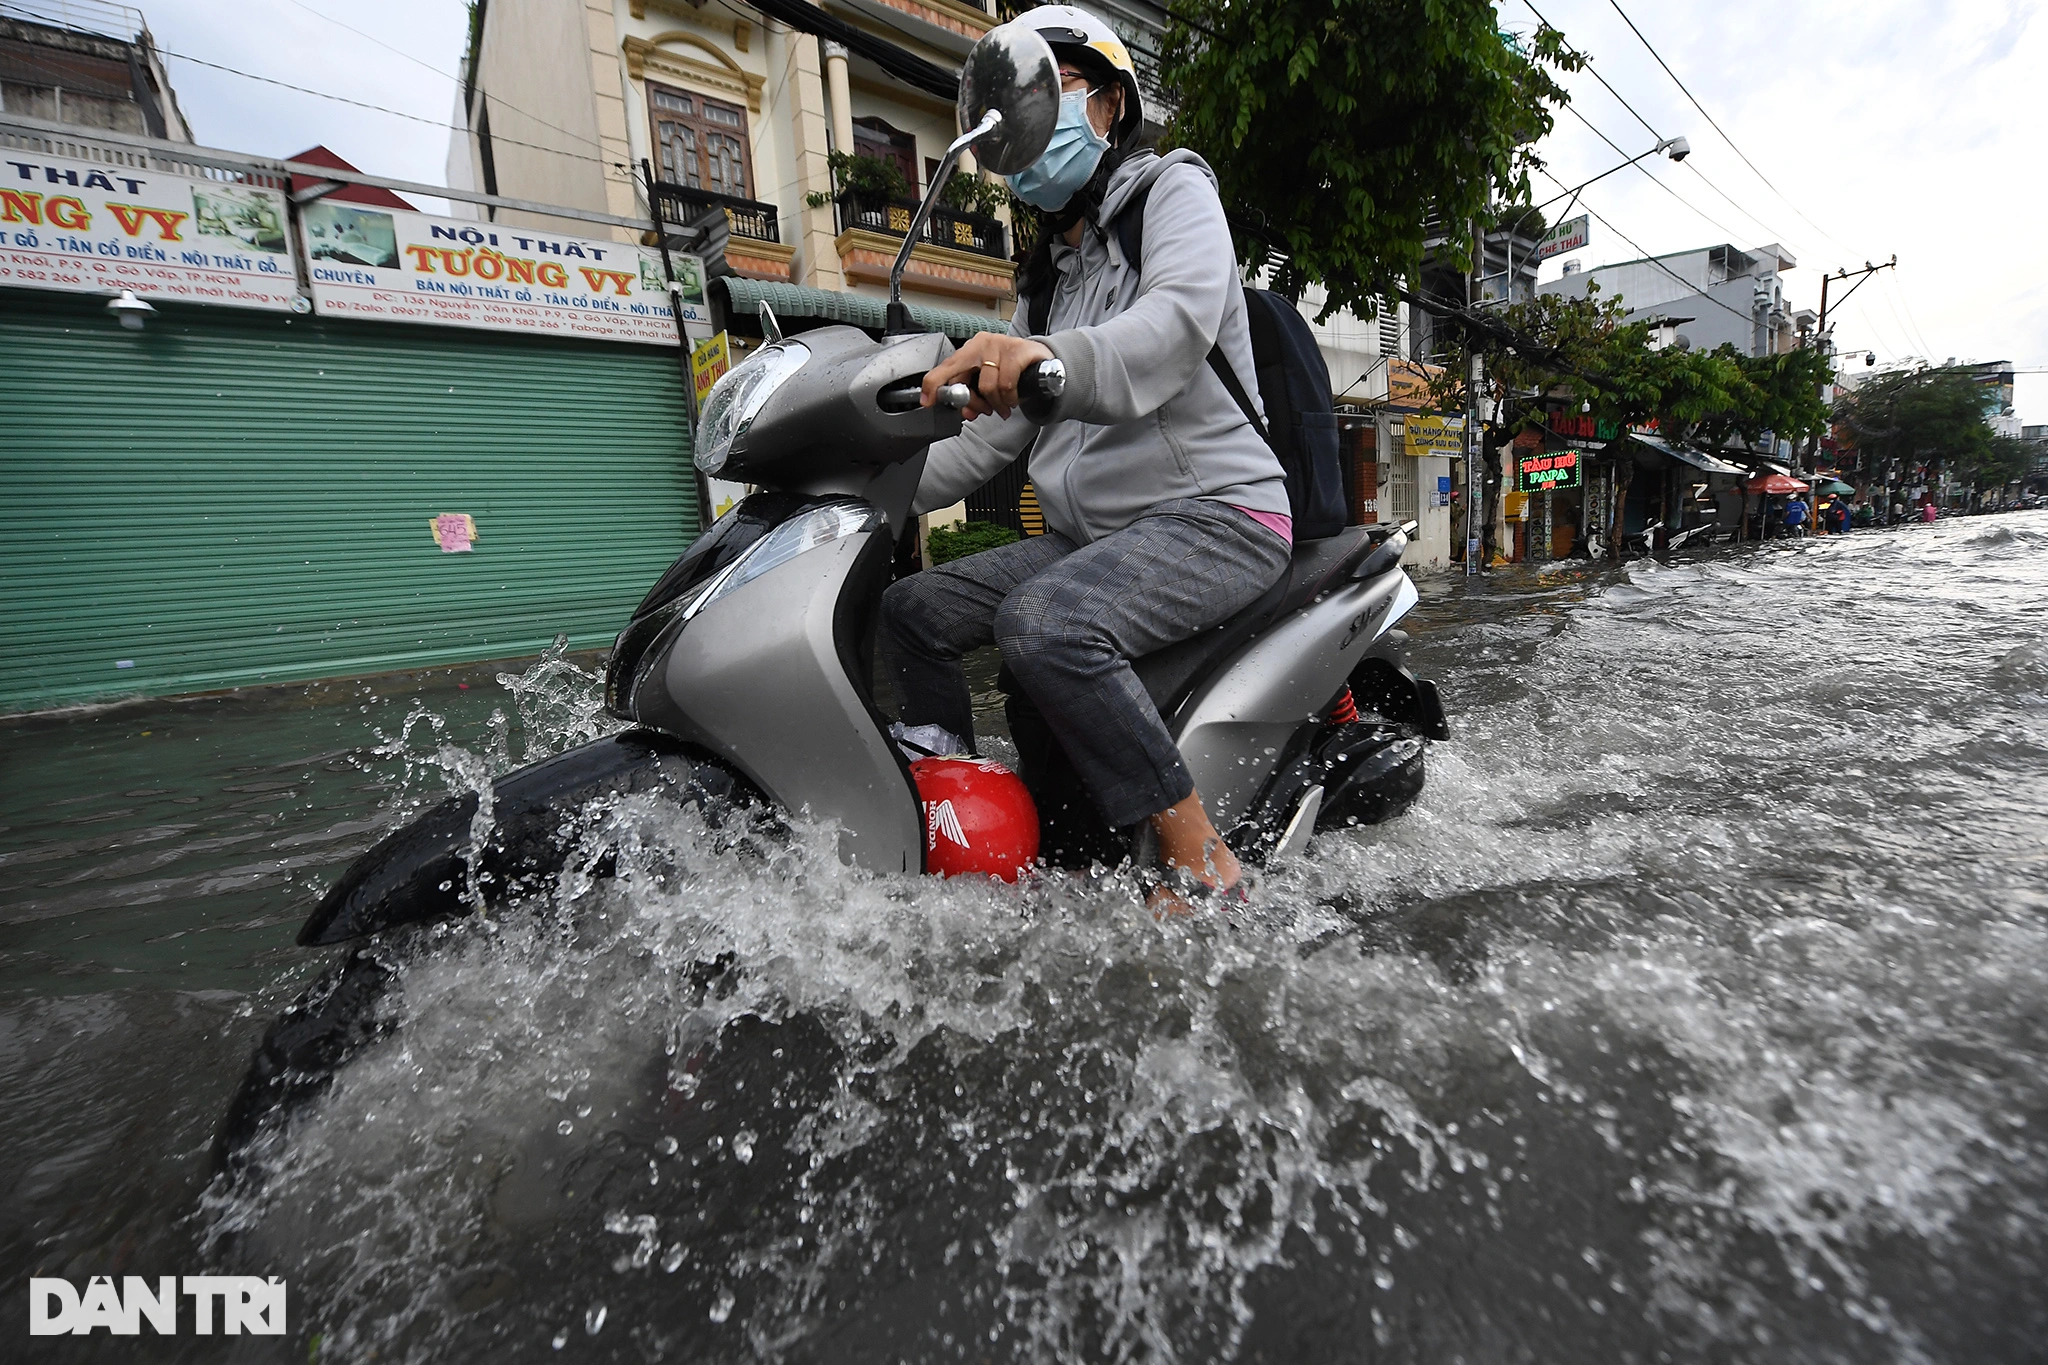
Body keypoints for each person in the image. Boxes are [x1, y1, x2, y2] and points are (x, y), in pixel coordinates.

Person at [881, 6, 1291, 907]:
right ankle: (952, 813)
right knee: (911, 607)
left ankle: (1200, 854)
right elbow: (991, 436)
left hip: (1219, 514)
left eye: (1051, 87)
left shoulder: (1174, 193)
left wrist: (1049, 362)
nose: (1028, 114)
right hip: (1096, 536)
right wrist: (877, 486)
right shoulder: (1049, 278)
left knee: (1045, 621)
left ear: (1109, 102)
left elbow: (1174, 328)